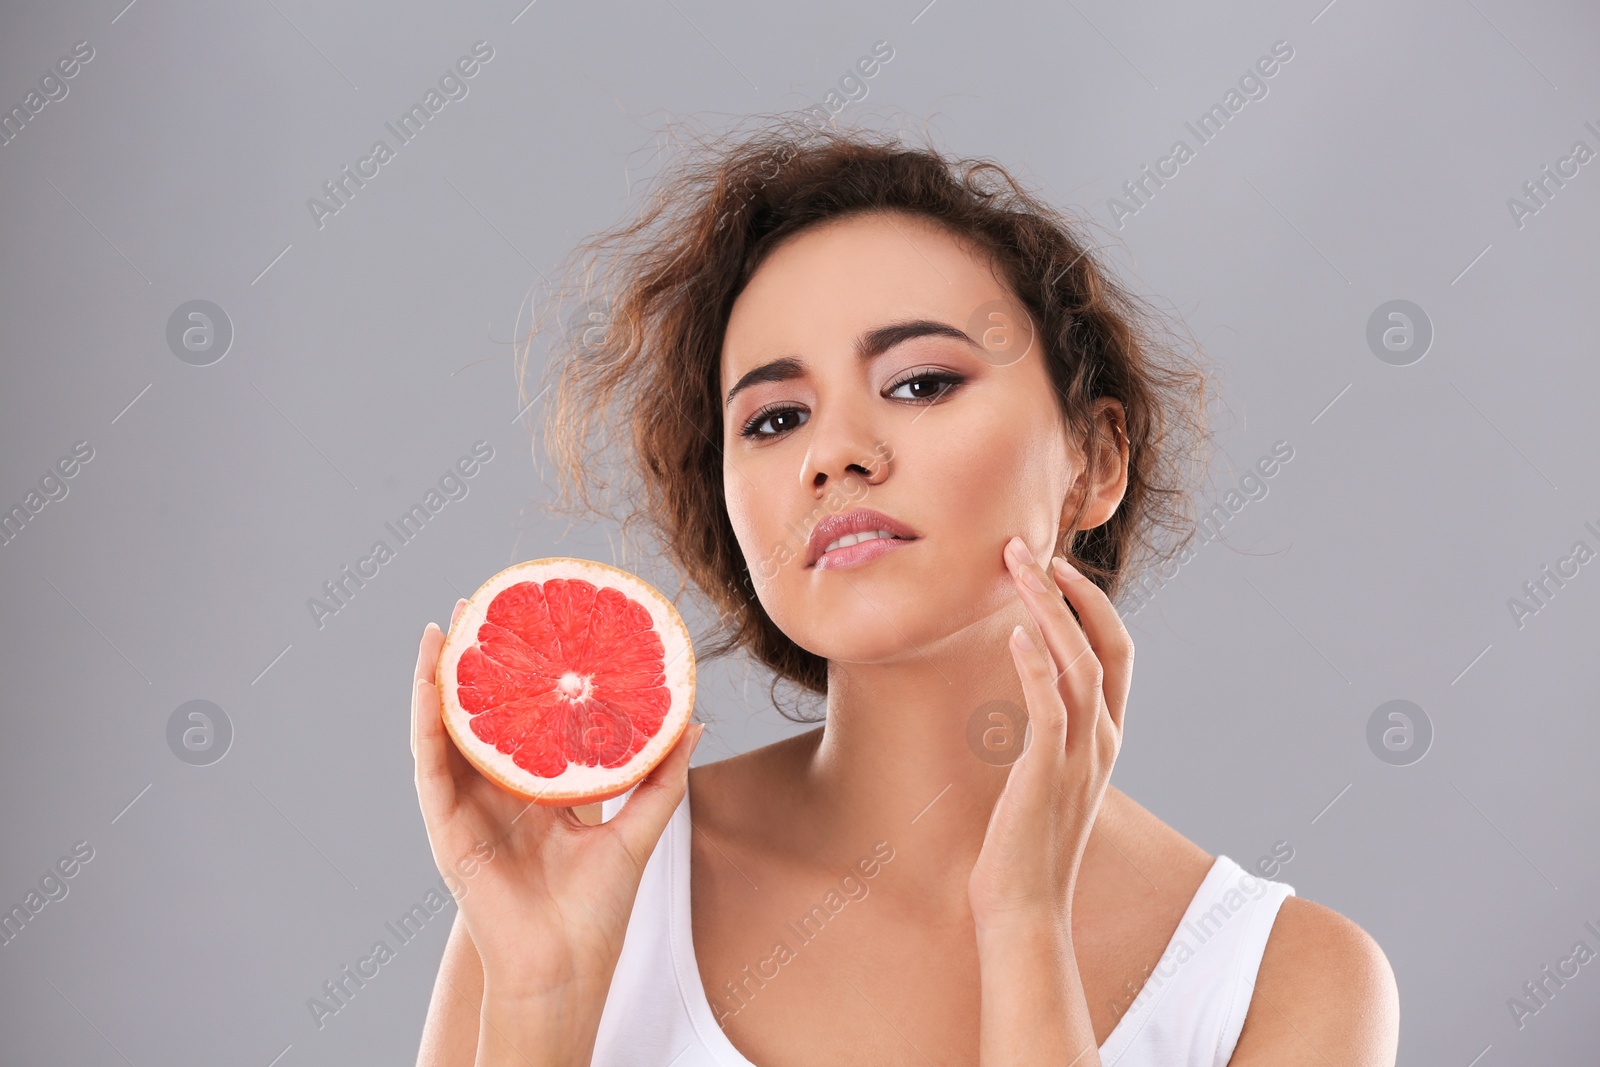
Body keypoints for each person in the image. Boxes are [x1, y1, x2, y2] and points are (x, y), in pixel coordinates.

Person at [410, 117, 1399, 1066]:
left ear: (1094, 458)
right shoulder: (587, 881)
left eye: (920, 383)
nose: (833, 453)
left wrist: (1022, 920)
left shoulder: (1282, 977)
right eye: (774, 418)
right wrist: (539, 1003)